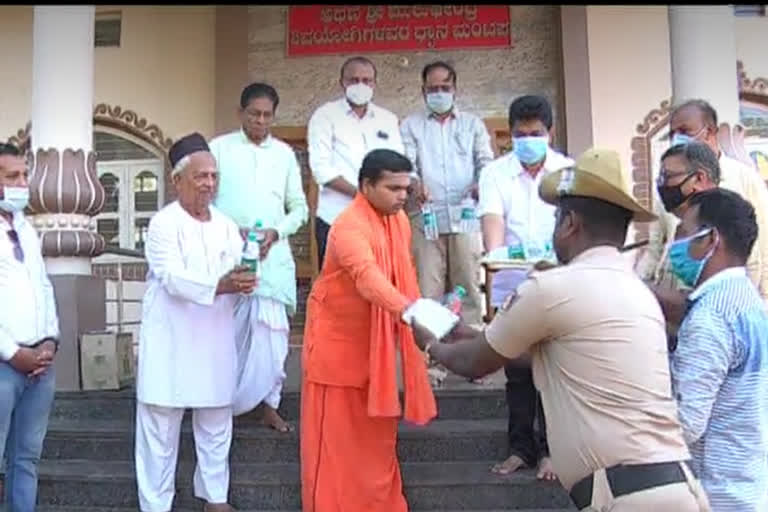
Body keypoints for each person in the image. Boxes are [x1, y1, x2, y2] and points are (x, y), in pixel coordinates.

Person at [412, 148, 710, 511]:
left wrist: (431, 346)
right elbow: (541, 353)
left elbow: (477, 363)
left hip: (626, 496)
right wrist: (464, 334)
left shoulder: (553, 288)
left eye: (556, 218)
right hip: (674, 486)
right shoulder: (635, 289)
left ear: (569, 223)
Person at [300, 149, 438, 512]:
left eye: (406, 189)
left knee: (378, 452)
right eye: (393, 188)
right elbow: (368, 279)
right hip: (338, 360)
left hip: (376, 358)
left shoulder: (400, 222)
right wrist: (412, 313)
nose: (402, 196)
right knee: (336, 458)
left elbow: (402, 275)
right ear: (366, 186)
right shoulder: (348, 226)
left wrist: (425, 314)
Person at [135, 133, 257, 512]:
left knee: (217, 424)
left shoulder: (224, 224)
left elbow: (239, 269)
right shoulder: (162, 224)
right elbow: (172, 277)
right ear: (177, 181)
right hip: (170, 344)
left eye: (214, 176)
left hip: (214, 341)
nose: (209, 184)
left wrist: (247, 280)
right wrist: (222, 284)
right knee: (159, 433)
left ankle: (215, 498)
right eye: (201, 176)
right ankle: (156, 506)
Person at [477, 95, 573, 480]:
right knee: (517, 371)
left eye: (536, 134)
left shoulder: (568, 171)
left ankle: (552, 452)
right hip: (513, 283)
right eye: (520, 134)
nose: (528, 140)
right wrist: (497, 258)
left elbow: (573, 225)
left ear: (550, 133)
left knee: (553, 370)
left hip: (558, 282)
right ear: (509, 135)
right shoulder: (495, 173)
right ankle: (520, 449)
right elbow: (493, 226)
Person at [210, 82, 309, 432]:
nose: (261, 121)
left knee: (273, 336)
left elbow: (299, 209)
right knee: (229, 332)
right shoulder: (218, 149)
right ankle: (224, 403)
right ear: (241, 113)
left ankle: (270, 404)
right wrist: (229, 231)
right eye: (254, 114)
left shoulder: (283, 155)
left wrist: (275, 232)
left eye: (268, 116)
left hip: (273, 260)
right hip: (229, 256)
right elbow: (205, 202)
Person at [668, 188, 768, 512]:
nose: (674, 246)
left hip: (718, 494)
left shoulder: (711, 317)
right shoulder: (749, 302)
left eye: (683, 234)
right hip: (750, 485)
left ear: (711, 239)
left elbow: (687, 423)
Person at [637, 99, 768, 312]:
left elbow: (761, 251)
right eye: (672, 133)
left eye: (684, 131)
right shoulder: (668, 183)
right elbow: (655, 247)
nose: (677, 138)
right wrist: (638, 283)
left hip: (723, 302)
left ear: (709, 132)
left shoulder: (744, 179)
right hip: (672, 301)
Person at [400, 60, 494, 326]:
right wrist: (415, 184)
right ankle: (432, 360)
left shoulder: (472, 124)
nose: (439, 93)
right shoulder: (410, 125)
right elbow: (407, 165)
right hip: (425, 218)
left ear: (455, 89)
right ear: (423, 91)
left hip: (465, 217)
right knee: (428, 288)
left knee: (467, 286)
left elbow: (485, 162)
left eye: (445, 87)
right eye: (433, 88)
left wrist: (480, 183)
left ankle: (470, 354)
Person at [643, 141, 768, 335]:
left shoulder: (729, 222)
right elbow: (653, 254)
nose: (663, 185)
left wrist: (638, 289)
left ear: (699, 178)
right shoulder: (672, 215)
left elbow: (693, 305)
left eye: (669, 177)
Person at [0, 143, 60, 512]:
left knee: (27, 459)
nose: (23, 183)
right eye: (12, 177)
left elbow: (44, 288)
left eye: (25, 175)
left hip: (40, 365)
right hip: (5, 364)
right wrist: (14, 353)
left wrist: (50, 340)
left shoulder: (27, 228)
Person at [307, 56, 404, 269]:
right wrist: (363, 196)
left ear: (375, 84)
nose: (361, 85)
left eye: (367, 80)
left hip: (380, 221)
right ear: (342, 82)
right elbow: (321, 169)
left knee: (377, 286)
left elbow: (399, 165)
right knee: (338, 291)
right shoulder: (325, 116)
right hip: (336, 219)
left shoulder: (387, 119)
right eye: (354, 80)